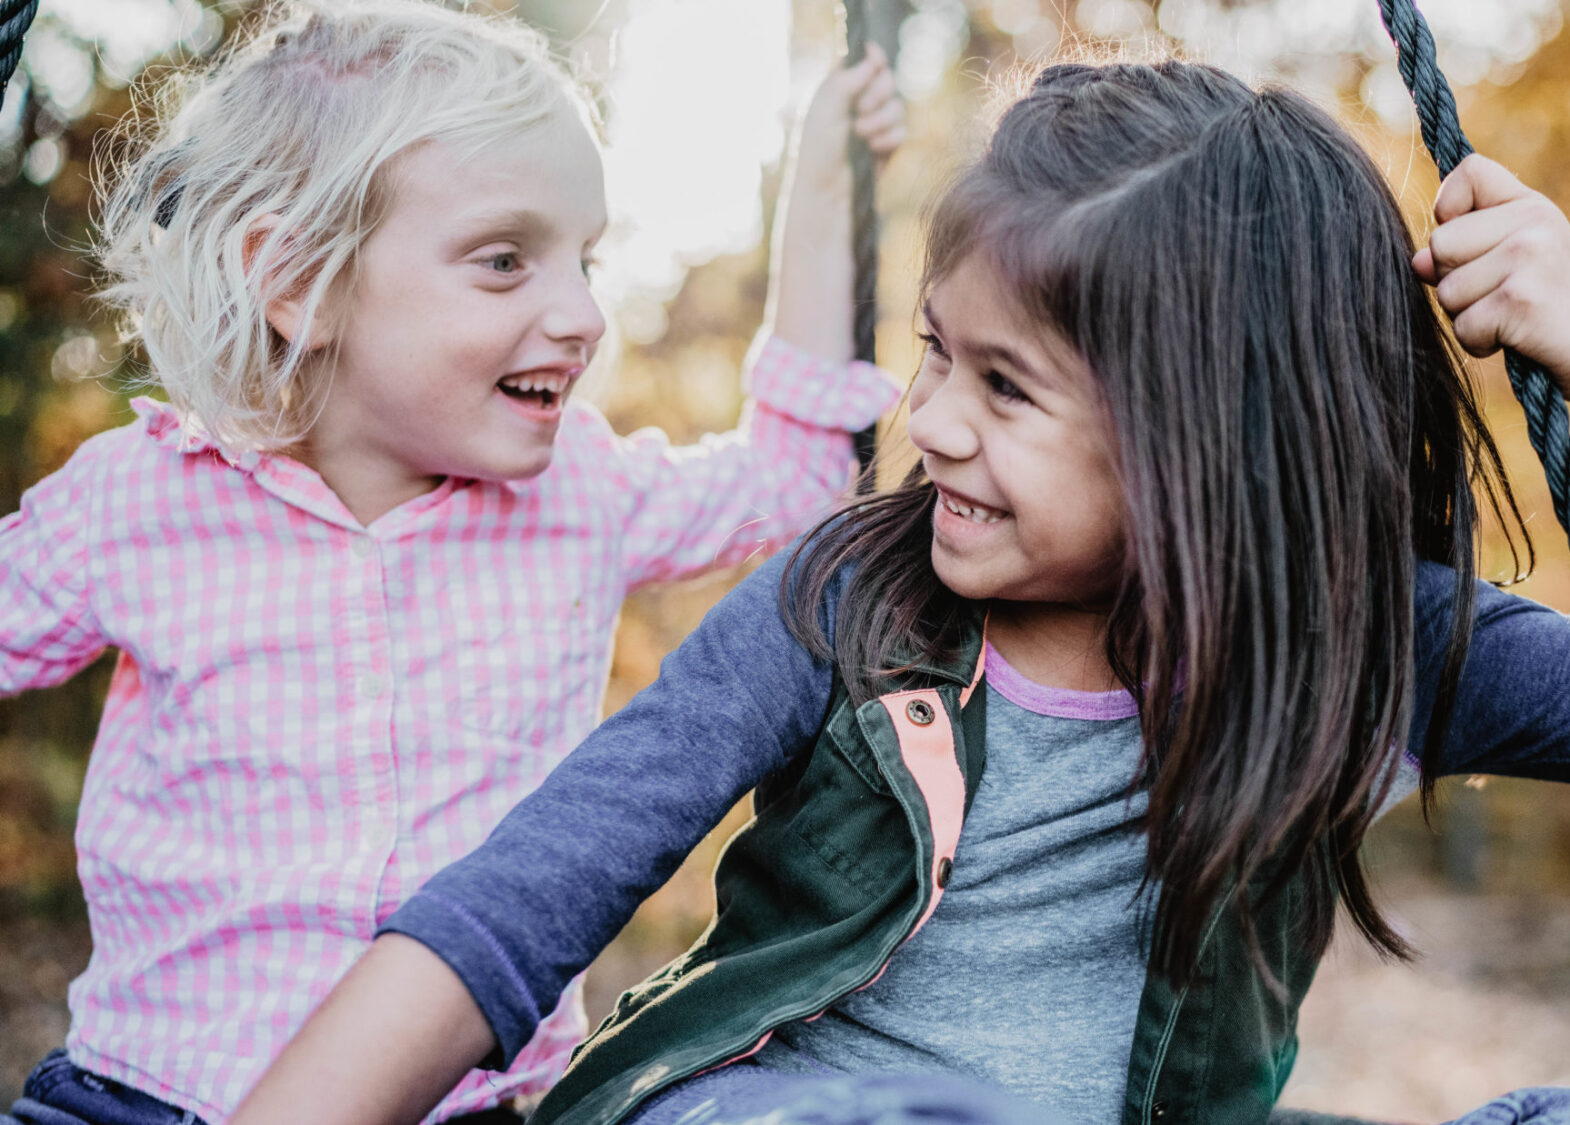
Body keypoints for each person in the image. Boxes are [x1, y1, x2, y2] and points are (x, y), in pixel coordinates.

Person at [235, 59, 1570, 1125]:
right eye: (932, 358)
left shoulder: (1362, 648)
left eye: (1008, 388)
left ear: (1206, 437)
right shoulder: (851, 601)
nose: (933, 424)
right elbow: (520, 904)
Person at [0, 1, 906, 1122]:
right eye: (503, 261)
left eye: (584, 259)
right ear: (297, 283)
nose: (579, 313)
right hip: (144, 1098)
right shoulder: (136, 499)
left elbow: (791, 485)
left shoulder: (578, 491)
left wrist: (818, 192)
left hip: (463, 1106)